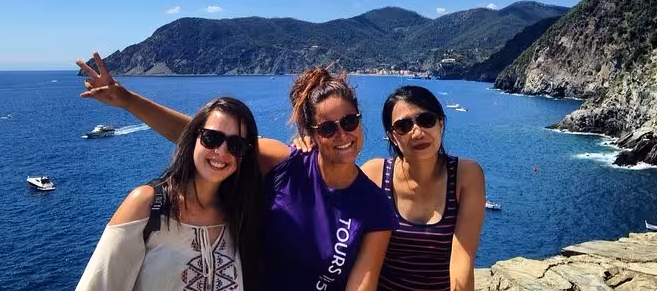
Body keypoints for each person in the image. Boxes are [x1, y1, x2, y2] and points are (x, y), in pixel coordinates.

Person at [77, 53, 396, 291]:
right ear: (311, 133)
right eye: (327, 128)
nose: (342, 135)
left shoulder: (374, 205)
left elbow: (362, 284)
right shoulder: (284, 163)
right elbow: (206, 140)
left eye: (350, 122)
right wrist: (127, 100)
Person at [296, 85, 485, 291]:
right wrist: (312, 149)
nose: (417, 132)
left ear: (441, 123)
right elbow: (328, 212)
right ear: (393, 136)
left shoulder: (466, 176)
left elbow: (462, 261)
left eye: (426, 120)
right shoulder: (375, 174)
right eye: (403, 126)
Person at [76, 96, 264, 291]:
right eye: (211, 138)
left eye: (236, 145)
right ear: (194, 138)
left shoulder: (241, 216)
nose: (221, 151)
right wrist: (126, 98)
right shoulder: (146, 205)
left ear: (244, 155)